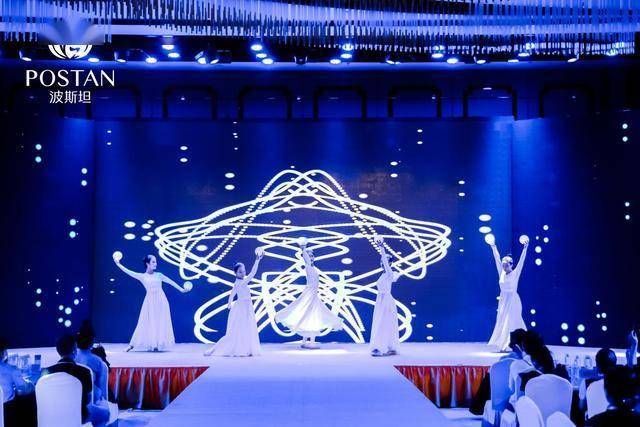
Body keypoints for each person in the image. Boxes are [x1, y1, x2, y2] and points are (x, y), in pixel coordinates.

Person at [113, 252, 191, 352]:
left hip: (161, 301)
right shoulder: (142, 276)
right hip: (149, 302)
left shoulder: (159, 275)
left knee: (160, 321)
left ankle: (156, 344)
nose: (155, 264)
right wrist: (118, 263)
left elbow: (171, 282)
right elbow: (128, 272)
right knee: (144, 322)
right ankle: (132, 345)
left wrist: (181, 289)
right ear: (147, 264)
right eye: (153, 262)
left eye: (156, 262)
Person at [276, 237, 343, 348]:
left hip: (313, 294)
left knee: (311, 316)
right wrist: (303, 249)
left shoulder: (313, 267)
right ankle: (311, 342)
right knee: (311, 315)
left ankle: (305, 341)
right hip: (310, 294)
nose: (311, 257)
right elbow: (306, 258)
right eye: (309, 256)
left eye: (312, 256)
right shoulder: (308, 266)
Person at [205, 249, 264, 357]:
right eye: (240, 272)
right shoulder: (241, 282)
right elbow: (253, 273)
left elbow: (232, 294)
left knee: (244, 328)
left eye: (243, 271)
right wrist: (257, 260)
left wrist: (229, 303)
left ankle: (246, 347)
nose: (243, 273)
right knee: (241, 328)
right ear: (236, 273)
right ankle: (241, 348)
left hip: (245, 306)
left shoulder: (238, 282)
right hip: (242, 307)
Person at [42, 334, 110, 426]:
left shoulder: (46, 372)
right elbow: (88, 400)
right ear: (75, 351)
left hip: (52, 415)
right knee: (106, 413)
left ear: (58, 351)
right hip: (79, 415)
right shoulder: (84, 372)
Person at [485, 233, 529, 352]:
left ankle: (512, 344)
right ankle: (503, 343)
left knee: (512, 320)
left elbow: (521, 261)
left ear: (511, 265)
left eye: (506, 265)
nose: (504, 267)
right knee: (502, 320)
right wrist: (493, 246)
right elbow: (496, 258)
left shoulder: (515, 273)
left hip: (513, 299)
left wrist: (525, 248)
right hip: (503, 299)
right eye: (503, 265)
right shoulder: (502, 272)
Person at [369, 237, 400, 356]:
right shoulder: (383, 274)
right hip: (381, 300)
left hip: (386, 300)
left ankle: (381, 347)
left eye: (385, 261)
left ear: (390, 263)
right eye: (382, 261)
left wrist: (381, 247)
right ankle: (385, 346)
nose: (383, 263)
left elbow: (386, 264)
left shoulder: (389, 273)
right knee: (380, 322)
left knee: (383, 322)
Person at [1, 338, 36, 427]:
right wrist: (31, 384)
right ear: (4, 352)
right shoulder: (11, 369)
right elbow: (24, 389)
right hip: (7, 412)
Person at [76, 322, 109, 402]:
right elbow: (103, 391)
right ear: (92, 341)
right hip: (91, 402)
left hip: (73, 400)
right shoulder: (98, 361)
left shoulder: (71, 359)